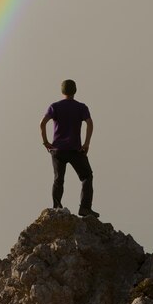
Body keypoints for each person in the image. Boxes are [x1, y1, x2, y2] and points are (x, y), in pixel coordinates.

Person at [40, 79, 99, 217]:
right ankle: (85, 208)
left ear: (62, 91)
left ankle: (56, 207)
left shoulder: (54, 106)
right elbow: (90, 124)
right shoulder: (81, 107)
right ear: (75, 90)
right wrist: (86, 143)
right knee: (86, 176)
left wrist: (46, 142)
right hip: (74, 149)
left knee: (58, 179)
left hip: (57, 150)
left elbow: (42, 123)